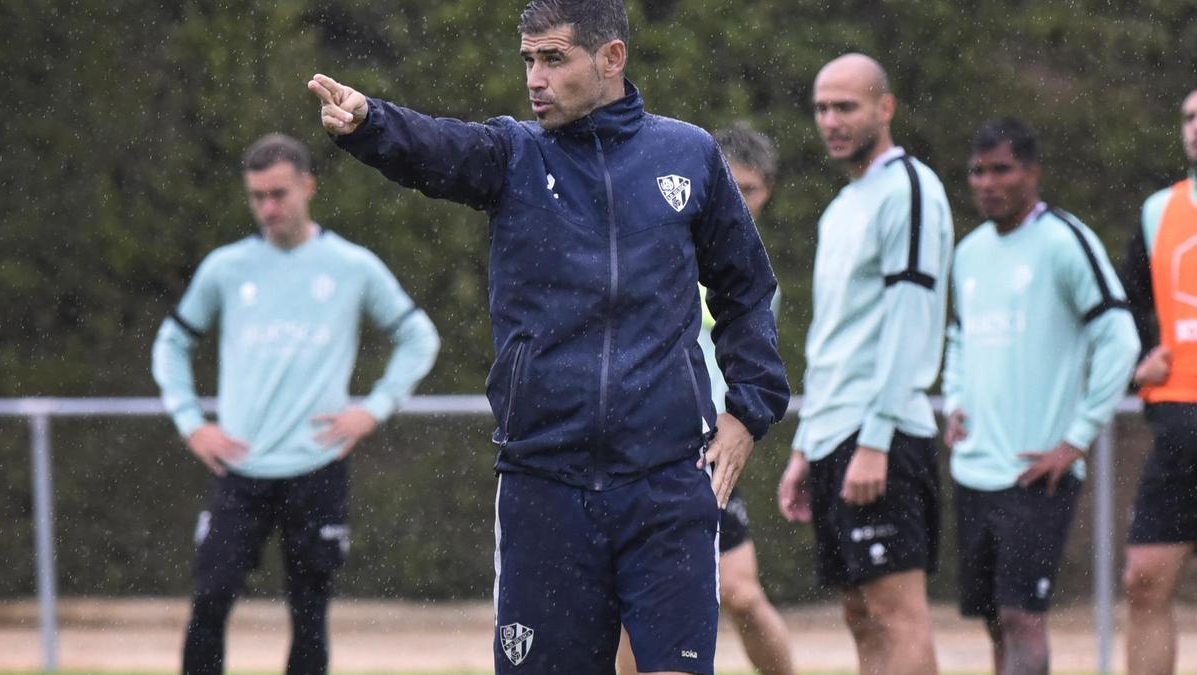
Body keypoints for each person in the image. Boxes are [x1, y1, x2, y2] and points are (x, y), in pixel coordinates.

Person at [308, 1, 790, 673]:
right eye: (529, 59)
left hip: (667, 480)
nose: (535, 77)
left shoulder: (689, 155)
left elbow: (747, 292)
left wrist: (749, 411)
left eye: (554, 58)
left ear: (611, 58)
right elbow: (439, 148)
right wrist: (370, 123)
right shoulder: (513, 155)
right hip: (545, 482)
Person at [151, 133, 440, 675]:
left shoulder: (352, 267)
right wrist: (192, 423)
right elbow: (171, 344)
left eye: (278, 193)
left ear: (308, 187)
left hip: (317, 468)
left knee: (310, 612)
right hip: (239, 467)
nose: (267, 207)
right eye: (257, 195)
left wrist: (372, 409)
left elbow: (419, 338)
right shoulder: (225, 269)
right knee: (210, 601)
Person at [776, 53, 953, 675]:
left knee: (896, 611)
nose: (832, 120)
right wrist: (805, 445)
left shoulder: (910, 189)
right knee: (858, 612)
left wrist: (875, 441)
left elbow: (911, 320)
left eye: (846, 106)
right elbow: (834, 339)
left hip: (883, 434)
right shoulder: (841, 207)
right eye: (822, 107)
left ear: (885, 108)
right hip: (834, 434)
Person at [943, 118, 1139, 674]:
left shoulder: (1064, 240)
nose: (987, 182)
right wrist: (956, 398)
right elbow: (958, 338)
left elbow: (1119, 339)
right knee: (994, 621)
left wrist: (1075, 440)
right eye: (977, 171)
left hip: (1035, 473)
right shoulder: (970, 253)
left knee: (1023, 616)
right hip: (975, 470)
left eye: (1001, 169)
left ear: (1033, 173)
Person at [616, 122, 795, 675]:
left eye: (752, 190)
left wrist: (737, 420)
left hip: (709, 450)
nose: (739, 201)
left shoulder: (752, 278)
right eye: (729, 186)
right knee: (631, 603)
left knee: (739, 591)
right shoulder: (660, 250)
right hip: (644, 441)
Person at [1120, 86, 1197, 675]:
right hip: (1177, 424)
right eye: (1189, 116)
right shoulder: (1156, 211)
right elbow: (1130, 308)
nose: (1196, 127)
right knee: (1143, 580)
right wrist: (1139, 357)